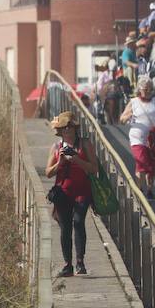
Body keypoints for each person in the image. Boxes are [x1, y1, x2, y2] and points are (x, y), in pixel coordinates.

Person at [44, 112, 98, 278]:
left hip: (82, 190)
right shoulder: (55, 147)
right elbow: (48, 173)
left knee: (79, 221)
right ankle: (68, 265)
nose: (67, 130)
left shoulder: (85, 144)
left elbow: (94, 169)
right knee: (65, 227)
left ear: (75, 128)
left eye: (69, 127)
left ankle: (80, 262)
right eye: (63, 128)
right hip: (63, 192)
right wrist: (60, 163)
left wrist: (76, 160)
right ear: (60, 131)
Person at [120, 77, 155, 199]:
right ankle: (139, 191)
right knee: (142, 163)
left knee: (152, 166)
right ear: (139, 89)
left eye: (150, 89)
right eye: (145, 89)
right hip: (137, 138)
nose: (148, 91)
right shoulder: (133, 102)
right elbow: (122, 120)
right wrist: (128, 115)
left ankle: (149, 189)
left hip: (154, 139)